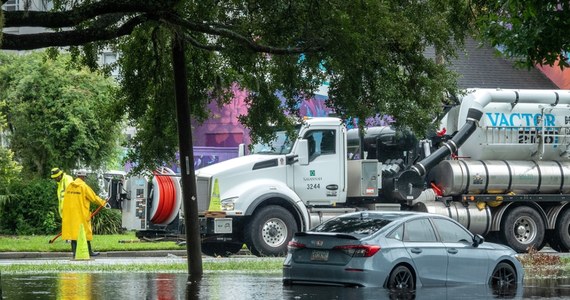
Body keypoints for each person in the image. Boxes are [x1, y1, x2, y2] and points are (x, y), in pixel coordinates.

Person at [61, 169, 107, 257]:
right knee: (85, 232)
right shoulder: (84, 187)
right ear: (83, 177)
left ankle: (75, 252)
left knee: (73, 233)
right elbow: (93, 198)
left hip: (71, 215)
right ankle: (89, 251)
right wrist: (103, 202)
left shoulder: (69, 186)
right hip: (81, 214)